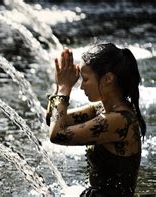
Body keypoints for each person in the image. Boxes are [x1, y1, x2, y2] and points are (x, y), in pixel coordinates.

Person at [45, 43, 146, 196]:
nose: (81, 87)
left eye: (85, 79)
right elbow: (53, 120)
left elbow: (57, 134)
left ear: (108, 79)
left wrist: (65, 88)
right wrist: (59, 87)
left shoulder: (119, 120)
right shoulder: (101, 109)